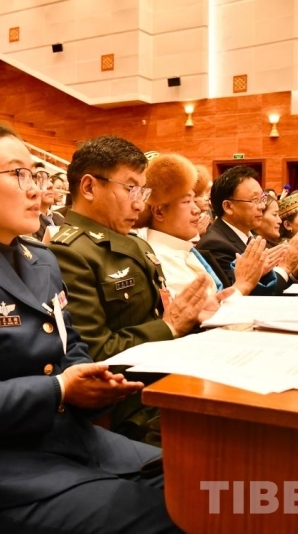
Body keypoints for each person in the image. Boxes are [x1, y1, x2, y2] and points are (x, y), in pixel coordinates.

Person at [0, 122, 178, 534]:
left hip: (74, 440)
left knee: (208, 484)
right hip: (5, 468)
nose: (36, 190)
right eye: (18, 174)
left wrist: (97, 386)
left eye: (35, 175)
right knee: (179, 514)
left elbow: (71, 347)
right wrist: (61, 389)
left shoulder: (39, 258)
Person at [48, 137, 214, 442]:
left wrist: (200, 315)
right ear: (89, 187)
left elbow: (161, 313)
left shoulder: (137, 244)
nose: (139, 204)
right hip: (132, 406)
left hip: (169, 378)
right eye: (130, 189)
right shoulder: (69, 253)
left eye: (143, 192)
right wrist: (169, 327)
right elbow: (94, 355)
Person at [138, 153, 262, 299]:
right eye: (186, 202)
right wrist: (242, 285)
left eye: (194, 200)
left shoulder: (182, 249)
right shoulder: (159, 257)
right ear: (159, 211)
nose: (196, 210)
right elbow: (197, 311)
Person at [196, 166, 298, 295]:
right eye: (254, 200)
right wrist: (284, 268)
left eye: (262, 199)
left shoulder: (252, 238)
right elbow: (236, 297)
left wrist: (296, 271)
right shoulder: (215, 244)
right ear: (228, 206)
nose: (262, 206)